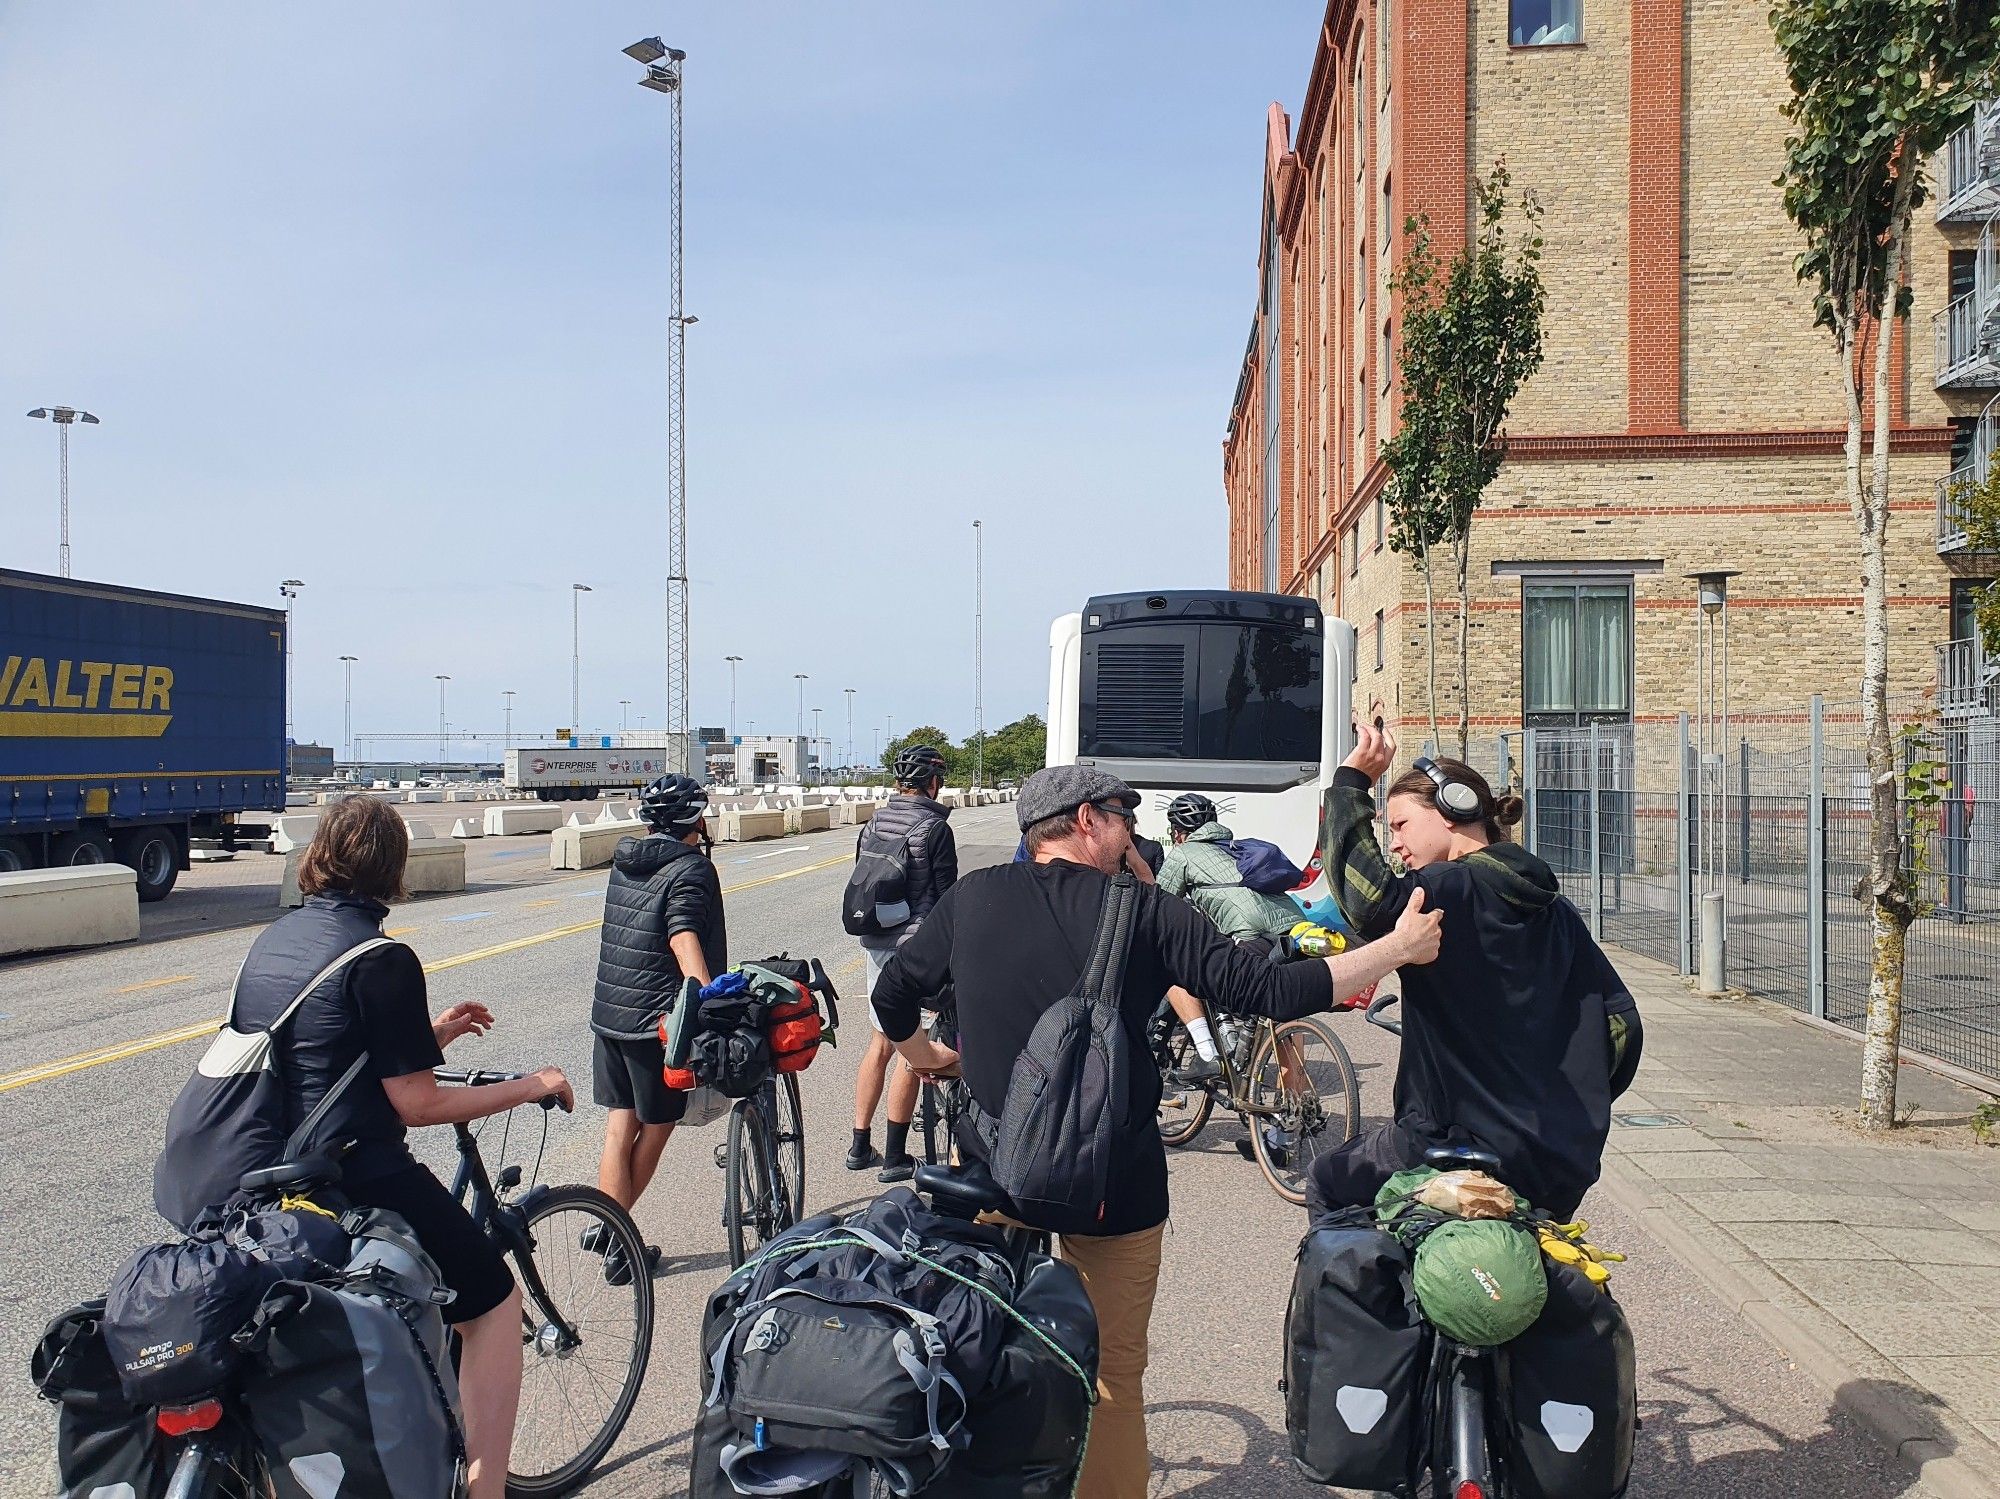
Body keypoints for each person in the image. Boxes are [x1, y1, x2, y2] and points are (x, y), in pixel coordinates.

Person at [872, 765, 1443, 1499]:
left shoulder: (973, 897)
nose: (1134, 831)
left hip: (993, 1173)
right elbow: (1267, 989)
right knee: (1111, 1374)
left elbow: (891, 995)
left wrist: (930, 1060)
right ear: (1085, 821)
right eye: (1122, 815)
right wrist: (1395, 948)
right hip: (1113, 1183)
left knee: (979, 1349)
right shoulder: (1145, 911)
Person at [232, 795, 571, 1499]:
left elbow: (318, 1056)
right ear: (393, 865)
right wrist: (529, 1084)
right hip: (355, 1171)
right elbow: (418, 1104)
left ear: (321, 852)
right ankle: (485, 1490)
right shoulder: (382, 956)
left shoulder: (275, 940)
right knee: (493, 1300)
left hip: (268, 1172)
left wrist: (431, 1037)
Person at [1310, 724, 1643, 1220]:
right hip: (1558, 1157)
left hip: (1449, 1143)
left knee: (1328, 1182)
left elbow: (1369, 901)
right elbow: (1621, 1027)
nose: (1395, 845)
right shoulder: (1556, 909)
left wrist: (1348, 785)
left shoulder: (1446, 891)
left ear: (1453, 811)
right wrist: (1569, 1105)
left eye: (1399, 825)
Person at [591, 773, 726, 1279]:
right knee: (658, 1126)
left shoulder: (626, 860)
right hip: (654, 1024)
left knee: (619, 1125)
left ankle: (608, 1224)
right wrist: (708, 999)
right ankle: (619, 1241)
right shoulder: (691, 868)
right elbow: (683, 937)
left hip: (609, 1013)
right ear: (695, 819)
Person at [849, 742, 957, 1181]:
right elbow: (949, 898)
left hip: (876, 942)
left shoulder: (874, 822)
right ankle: (895, 1157)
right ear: (933, 782)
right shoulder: (935, 829)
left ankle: (859, 1144)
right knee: (910, 1048)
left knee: (879, 1041)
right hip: (916, 948)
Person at [1153, 791, 1310, 1085]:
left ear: (1177, 832)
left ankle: (1208, 1053)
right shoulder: (1237, 847)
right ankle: (1291, 1115)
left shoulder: (1184, 853)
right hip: (1296, 931)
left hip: (1252, 937)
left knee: (1177, 973)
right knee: (1285, 1015)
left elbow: (1160, 906)